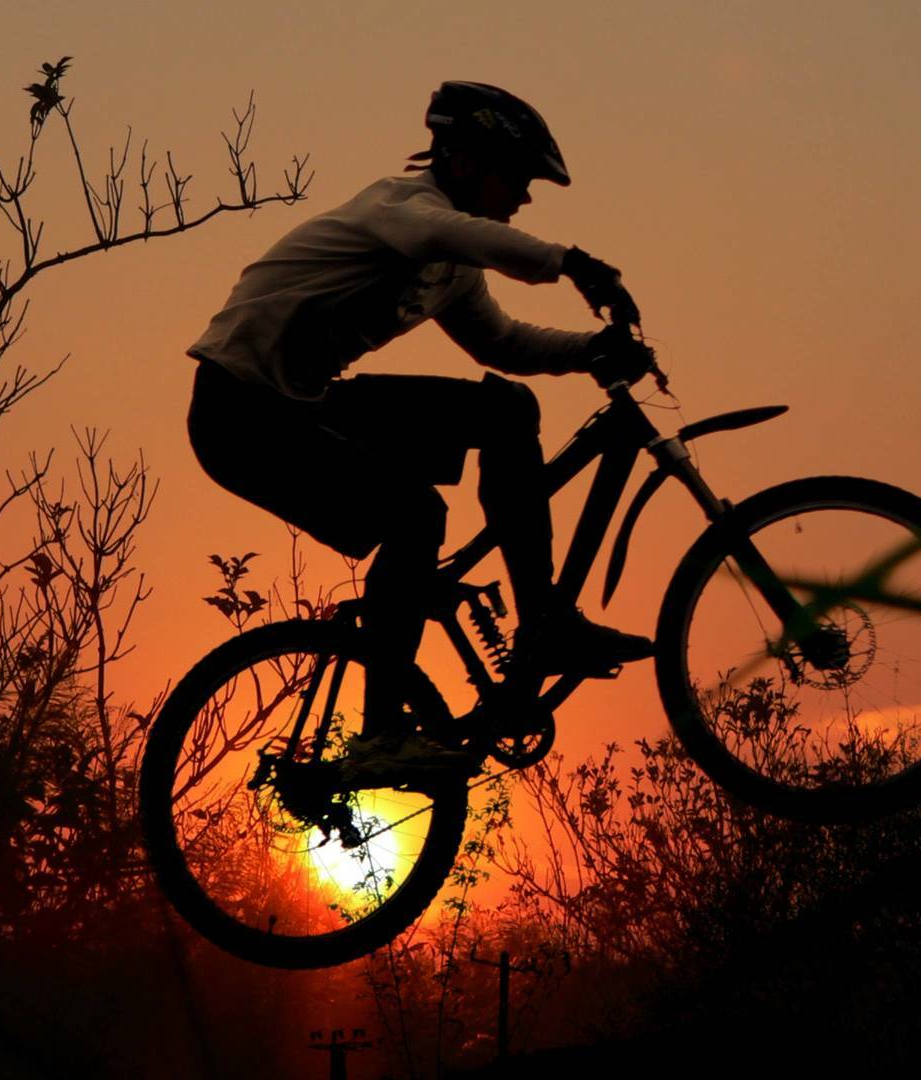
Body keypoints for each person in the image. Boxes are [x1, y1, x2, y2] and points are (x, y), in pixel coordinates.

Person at [186, 81, 656, 777]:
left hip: (307, 405)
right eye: (517, 179)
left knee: (506, 409)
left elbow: (502, 344)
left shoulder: (453, 269)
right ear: (463, 162)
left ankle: (544, 622)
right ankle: (380, 735)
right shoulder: (400, 208)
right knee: (414, 515)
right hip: (240, 412)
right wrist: (570, 263)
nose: (524, 199)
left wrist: (590, 350)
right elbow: (454, 232)